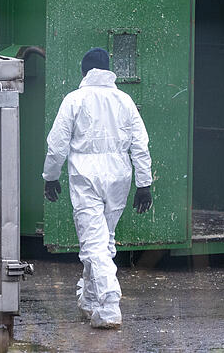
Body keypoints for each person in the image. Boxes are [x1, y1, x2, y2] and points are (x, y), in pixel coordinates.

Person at [43, 47, 153, 329]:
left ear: (84, 72)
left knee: (93, 244)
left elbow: (57, 144)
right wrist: (144, 184)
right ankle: (90, 299)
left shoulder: (74, 100)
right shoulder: (124, 100)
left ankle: (109, 304)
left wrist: (50, 176)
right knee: (103, 240)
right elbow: (140, 144)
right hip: (119, 177)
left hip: (86, 176)